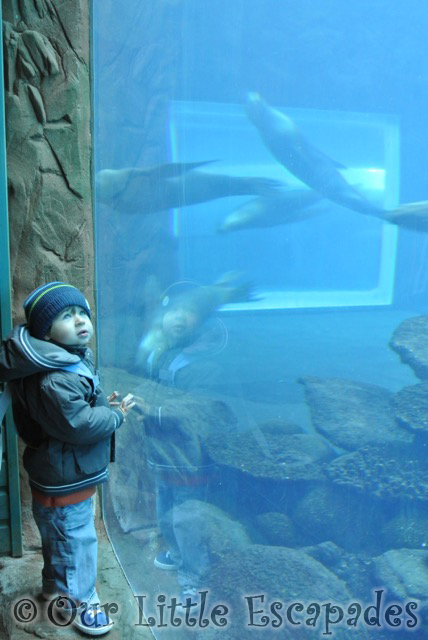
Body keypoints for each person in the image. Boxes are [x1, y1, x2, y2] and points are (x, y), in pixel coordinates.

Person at [0, 282, 135, 636]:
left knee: (61, 537)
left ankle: (55, 590)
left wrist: (104, 405)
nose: (80, 321)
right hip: (65, 475)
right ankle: (79, 602)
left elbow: (79, 409)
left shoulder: (58, 359)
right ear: (46, 330)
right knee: (76, 539)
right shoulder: (55, 377)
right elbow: (78, 424)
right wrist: (115, 416)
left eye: (82, 313)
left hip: (60, 468)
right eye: (66, 315)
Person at [136, 282, 227, 602]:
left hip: (190, 458)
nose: (179, 318)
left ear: (202, 321)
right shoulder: (166, 353)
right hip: (164, 454)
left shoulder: (206, 364)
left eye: (189, 312)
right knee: (166, 510)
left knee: (188, 517)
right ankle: (176, 553)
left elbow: (198, 411)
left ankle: (194, 575)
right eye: (174, 310)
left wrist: (153, 410)